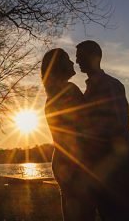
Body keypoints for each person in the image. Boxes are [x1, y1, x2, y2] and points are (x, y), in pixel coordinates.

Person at [75, 40, 129, 221]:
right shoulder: (90, 89)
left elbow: (117, 126)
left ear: (94, 57)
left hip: (116, 168)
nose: (77, 61)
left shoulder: (110, 86)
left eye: (80, 57)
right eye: (76, 58)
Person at [41, 48, 95, 221]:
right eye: (68, 59)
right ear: (59, 66)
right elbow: (86, 124)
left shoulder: (51, 96)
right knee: (84, 213)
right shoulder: (69, 90)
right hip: (75, 162)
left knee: (72, 211)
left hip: (62, 161)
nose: (73, 62)